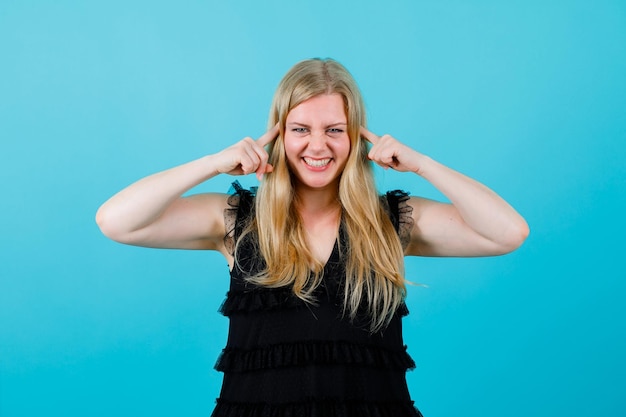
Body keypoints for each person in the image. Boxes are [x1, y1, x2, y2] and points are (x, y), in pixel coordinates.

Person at [96, 58, 529, 417]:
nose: (317, 146)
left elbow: (508, 232)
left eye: (335, 129)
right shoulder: (236, 220)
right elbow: (116, 221)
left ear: (356, 137)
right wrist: (212, 163)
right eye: (300, 128)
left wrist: (422, 164)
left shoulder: (392, 221)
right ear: (278, 134)